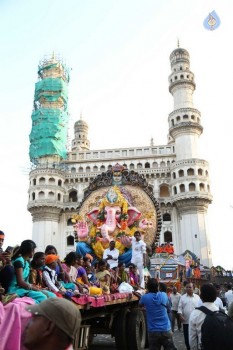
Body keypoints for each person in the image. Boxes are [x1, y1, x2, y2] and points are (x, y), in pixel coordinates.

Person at [139, 278, 177, 350]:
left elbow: (140, 305)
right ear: (157, 287)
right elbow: (167, 307)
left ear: (147, 287)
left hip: (153, 331)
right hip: (166, 330)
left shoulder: (145, 297)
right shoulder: (164, 295)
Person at [189, 284, 219, 350]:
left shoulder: (195, 314)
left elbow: (192, 338)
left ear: (201, 296)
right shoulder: (219, 311)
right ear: (215, 296)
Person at [177, 282, 200, 350]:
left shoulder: (197, 297)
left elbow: (200, 308)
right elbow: (180, 308)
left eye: (190, 287)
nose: (188, 288)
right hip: (186, 322)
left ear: (194, 288)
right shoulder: (182, 297)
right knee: (187, 338)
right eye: (187, 287)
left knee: (196, 338)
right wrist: (180, 315)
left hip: (196, 322)